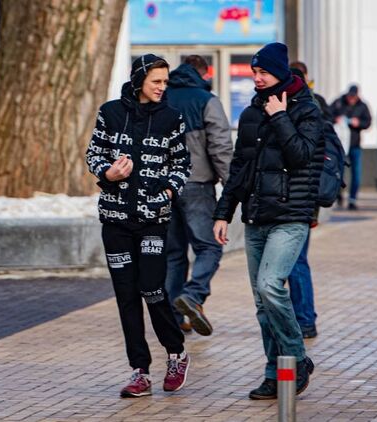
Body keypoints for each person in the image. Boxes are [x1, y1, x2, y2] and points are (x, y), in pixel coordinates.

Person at [213, 42, 320, 400]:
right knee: (262, 303)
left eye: (263, 72)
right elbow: (239, 168)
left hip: (291, 216)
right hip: (256, 217)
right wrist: (223, 212)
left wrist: (280, 117)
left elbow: (302, 156)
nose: (257, 78)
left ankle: (297, 358)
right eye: (254, 72)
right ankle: (275, 373)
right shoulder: (250, 113)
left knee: (271, 285)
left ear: (280, 73)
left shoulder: (306, 109)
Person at [85, 54, 191, 398]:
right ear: (138, 80)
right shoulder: (111, 112)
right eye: (156, 81)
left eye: (165, 82)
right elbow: (93, 154)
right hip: (115, 220)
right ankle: (140, 371)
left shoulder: (172, 118)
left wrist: (167, 191)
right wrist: (107, 172)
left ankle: (176, 354)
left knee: (152, 288)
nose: (162, 87)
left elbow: (182, 164)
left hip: (152, 221)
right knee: (126, 295)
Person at [165, 55, 232, 336]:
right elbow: (220, 146)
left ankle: (174, 319)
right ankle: (193, 296)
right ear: (204, 74)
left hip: (164, 187)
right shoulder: (206, 100)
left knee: (173, 254)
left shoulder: (162, 96)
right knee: (210, 247)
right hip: (197, 184)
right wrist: (231, 185)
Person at [287, 62, 325, 339]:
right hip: (306, 200)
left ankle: (304, 319)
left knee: (296, 261)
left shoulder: (308, 108)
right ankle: (303, 318)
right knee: (296, 261)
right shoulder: (316, 104)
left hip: (300, 200)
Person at [331, 84, 371, 210]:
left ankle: (352, 199)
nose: (351, 99)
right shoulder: (338, 102)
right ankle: (338, 195)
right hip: (340, 145)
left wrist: (358, 123)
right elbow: (326, 115)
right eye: (350, 97)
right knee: (338, 172)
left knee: (356, 174)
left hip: (355, 145)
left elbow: (368, 122)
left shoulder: (362, 106)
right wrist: (335, 119)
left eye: (354, 97)